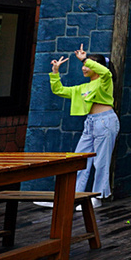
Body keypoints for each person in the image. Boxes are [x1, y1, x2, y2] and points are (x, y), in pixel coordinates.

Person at [49, 44, 119, 205]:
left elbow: (105, 71)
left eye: (87, 65)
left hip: (105, 121)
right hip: (90, 124)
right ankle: (74, 196)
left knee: (101, 161)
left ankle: (98, 197)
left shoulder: (105, 80)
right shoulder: (83, 87)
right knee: (79, 159)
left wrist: (85, 59)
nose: (84, 68)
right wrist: (55, 72)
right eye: (83, 65)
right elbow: (59, 90)